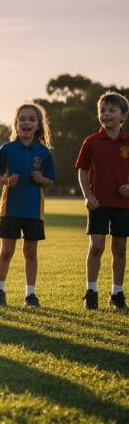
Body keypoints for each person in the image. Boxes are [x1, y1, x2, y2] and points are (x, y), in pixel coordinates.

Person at [0, 103, 55, 308]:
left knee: (30, 253)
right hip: (10, 208)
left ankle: (30, 294)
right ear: (16, 124)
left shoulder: (44, 152)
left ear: (38, 125)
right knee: (7, 251)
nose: (26, 122)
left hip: (33, 210)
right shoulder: (7, 149)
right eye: (23, 119)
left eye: (31, 119)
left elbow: (51, 180)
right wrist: (6, 181)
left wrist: (42, 179)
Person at [76, 91, 129, 310]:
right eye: (102, 111)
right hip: (97, 203)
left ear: (123, 115)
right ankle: (91, 291)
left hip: (123, 205)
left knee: (119, 247)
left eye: (111, 111)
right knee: (96, 246)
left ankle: (117, 293)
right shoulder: (91, 141)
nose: (106, 115)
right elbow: (83, 171)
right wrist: (88, 195)